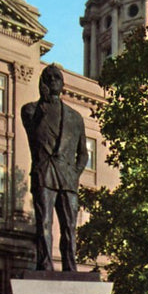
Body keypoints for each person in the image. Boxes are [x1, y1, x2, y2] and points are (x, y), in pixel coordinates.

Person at [21, 64, 88, 271]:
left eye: (56, 77)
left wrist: (74, 173)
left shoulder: (75, 117)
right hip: (44, 174)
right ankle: (45, 265)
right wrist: (43, 104)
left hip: (67, 177)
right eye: (47, 77)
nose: (52, 81)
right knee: (44, 223)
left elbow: (83, 154)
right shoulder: (31, 110)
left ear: (62, 83)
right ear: (42, 82)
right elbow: (33, 135)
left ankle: (70, 266)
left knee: (70, 226)